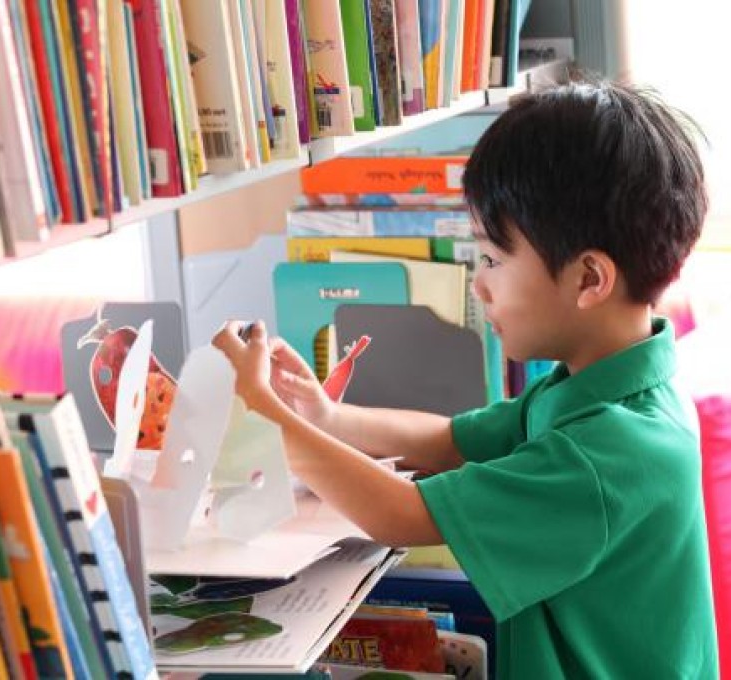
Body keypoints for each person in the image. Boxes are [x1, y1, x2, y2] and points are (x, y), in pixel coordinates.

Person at [212, 79, 718, 679]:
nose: (480, 285)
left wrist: (268, 418)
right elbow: (450, 439)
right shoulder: (600, 387)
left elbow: (403, 511)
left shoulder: (608, 454)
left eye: (493, 260)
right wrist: (327, 419)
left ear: (589, 280)